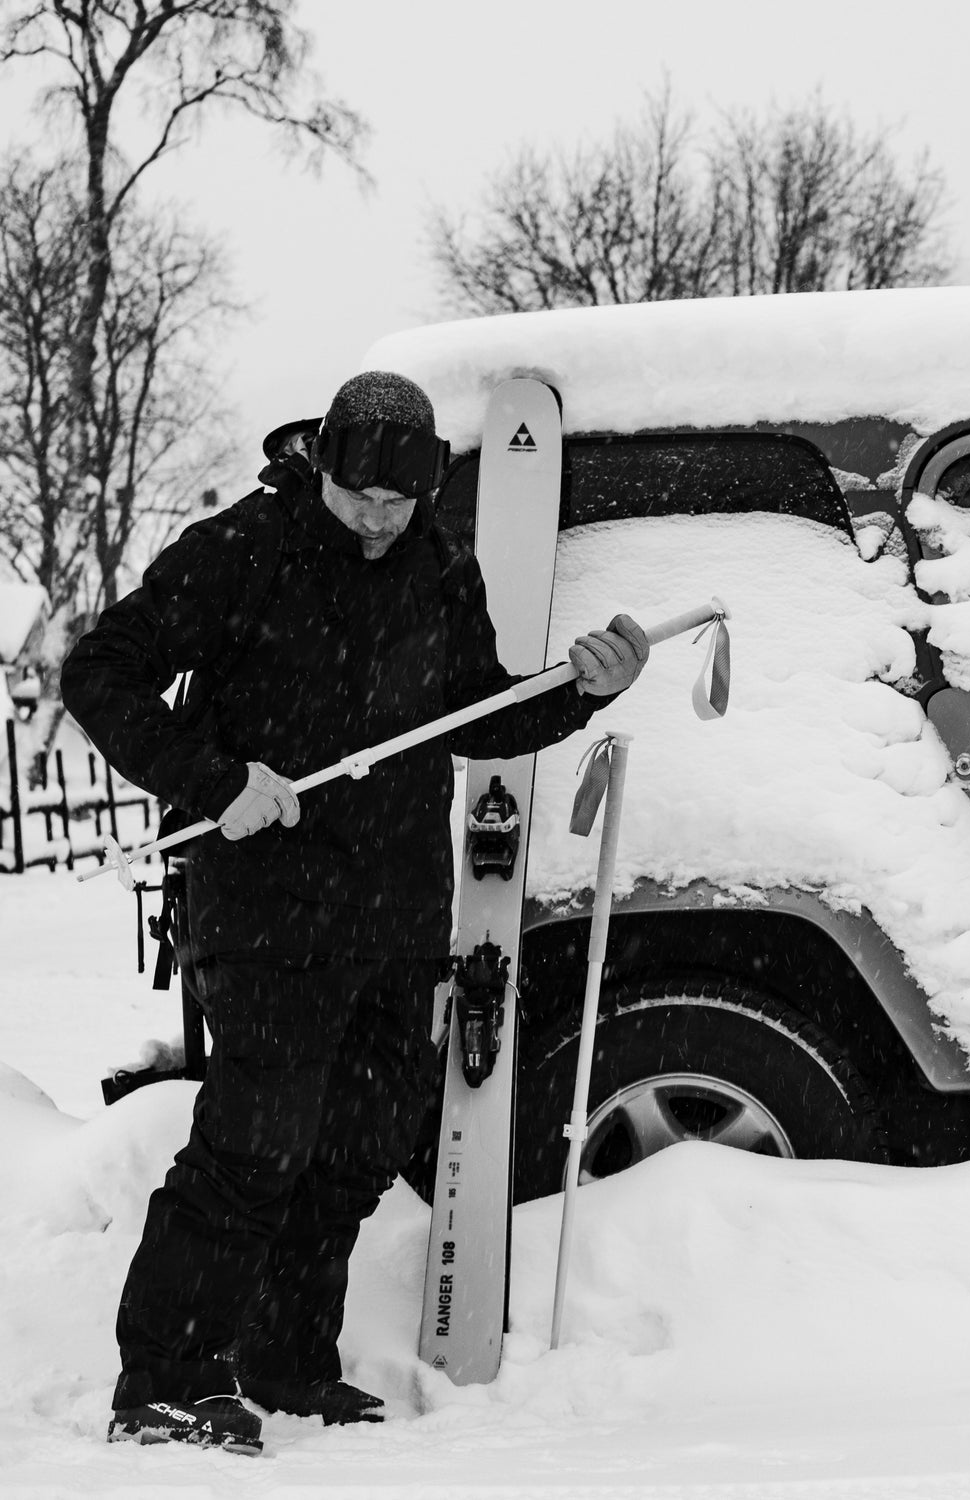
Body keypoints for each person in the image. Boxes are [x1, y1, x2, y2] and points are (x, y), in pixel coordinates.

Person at [61, 371, 648, 1454]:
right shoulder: (241, 552)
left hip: (392, 913)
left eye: (399, 501)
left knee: (354, 1150)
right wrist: (218, 780)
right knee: (252, 1147)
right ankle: (164, 1381)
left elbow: (483, 715)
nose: (377, 518)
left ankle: (286, 1365)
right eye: (357, 495)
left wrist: (584, 691)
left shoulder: (436, 565)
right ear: (320, 464)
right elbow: (98, 675)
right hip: (269, 911)